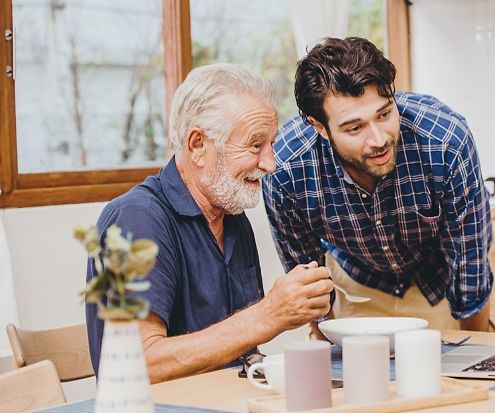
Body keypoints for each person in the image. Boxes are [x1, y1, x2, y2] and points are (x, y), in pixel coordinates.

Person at [85, 63, 333, 384]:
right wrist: (269, 314)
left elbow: (240, 352)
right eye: (255, 145)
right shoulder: (137, 219)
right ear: (198, 145)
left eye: (271, 144)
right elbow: (137, 365)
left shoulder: (232, 217)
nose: (271, 164)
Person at [263, 37, 495, 335]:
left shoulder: (446, 141)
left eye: (384, 114)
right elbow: (308, 281)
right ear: (319, 126)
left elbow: (469, 269)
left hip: (444, 274)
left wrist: (475, 360)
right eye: (355, 127)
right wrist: (330, 358)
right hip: (360, 281)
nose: (379, 139)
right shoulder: (286, 169)